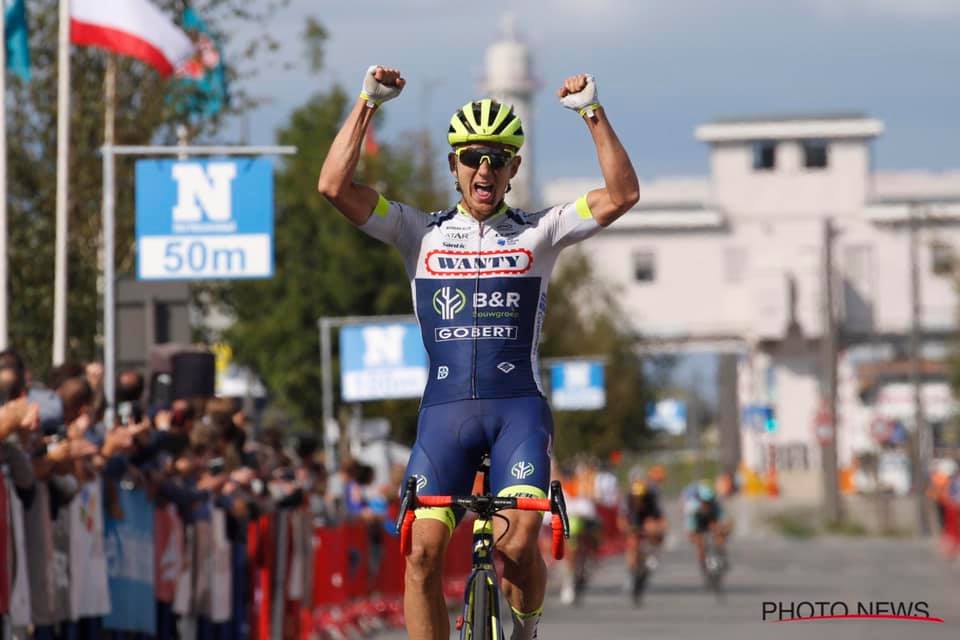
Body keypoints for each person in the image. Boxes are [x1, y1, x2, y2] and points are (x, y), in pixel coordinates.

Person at [318, 65, 638, 640]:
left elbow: (623, 195)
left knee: (516, 551)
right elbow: (334, 188)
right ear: (453, 166)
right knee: (419, 555)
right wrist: (368, 101)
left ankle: (527, 626)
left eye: (496, 157)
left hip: (517, 411)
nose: (483, 168)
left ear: (514, 167)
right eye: (471, 156)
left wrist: (592, 111)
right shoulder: (419, 231)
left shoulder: (541, 230)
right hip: (444, 418)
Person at [683, 480, 729, 573]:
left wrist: (722, 530)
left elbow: (724, 521)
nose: (707, 504)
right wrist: (694, 537)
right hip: (699, 525)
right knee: (699, 544)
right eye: (705, 502)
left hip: (712, 521)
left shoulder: (716, 506)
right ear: (700, 500)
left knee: (720, 535)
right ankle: (703, 563)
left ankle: (722, 554)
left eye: (709, 501)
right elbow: (690, 528)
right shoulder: (693, 508)